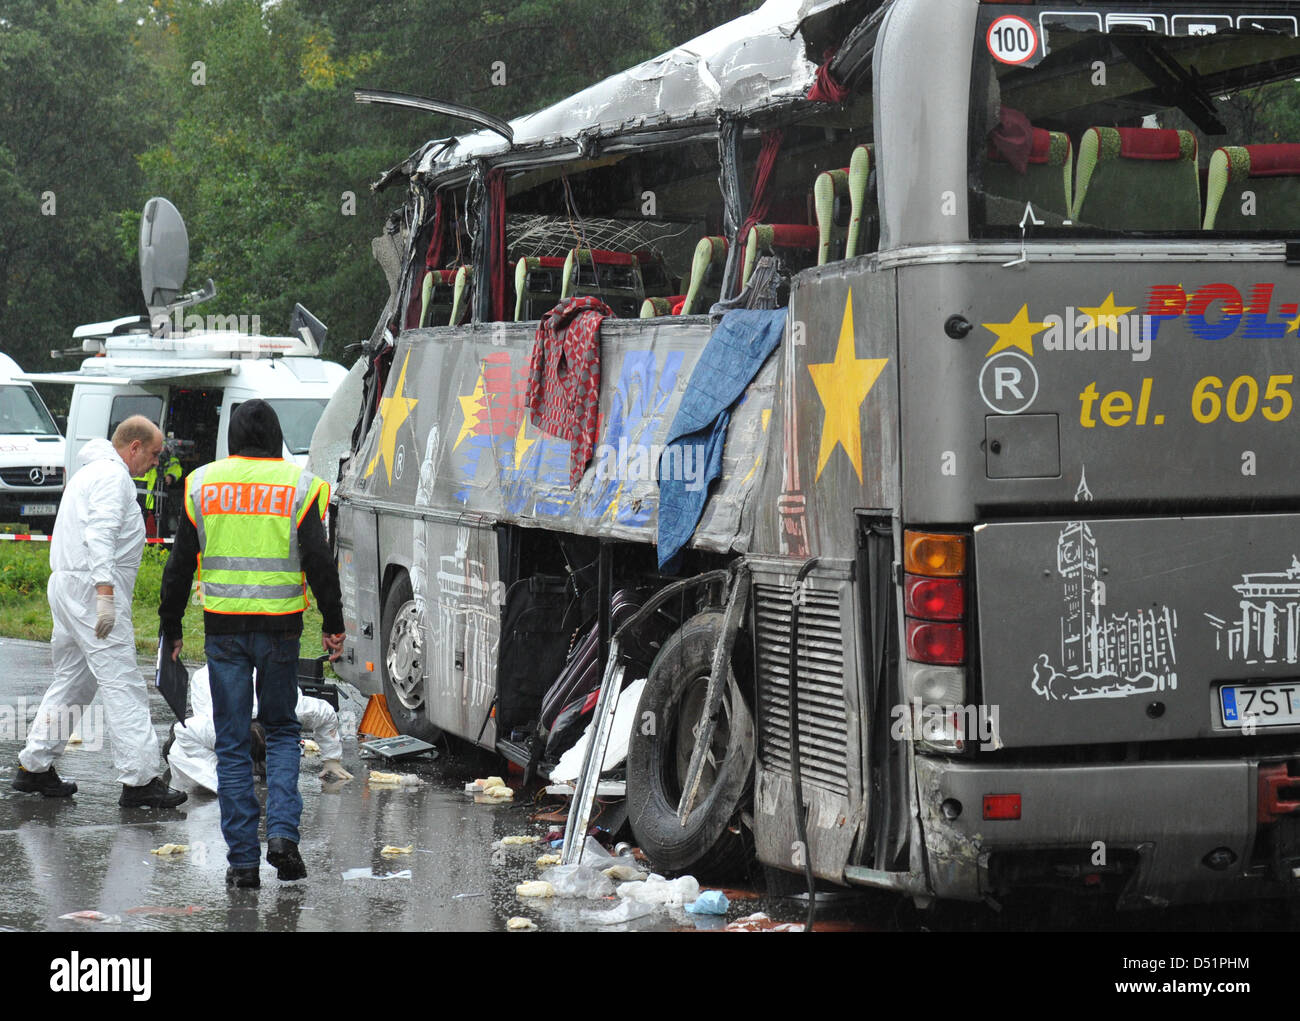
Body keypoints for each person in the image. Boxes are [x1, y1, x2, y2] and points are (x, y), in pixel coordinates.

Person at [159, 399, 345, 889]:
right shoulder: (298, 485)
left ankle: (243, 862)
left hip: (224, 633)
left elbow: (178, 565)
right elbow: (320, 562)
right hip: (282, 630)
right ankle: (282, 835)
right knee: (282, 730)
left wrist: (170, 625)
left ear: (233, 438)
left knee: (234, 739)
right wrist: (334, 621)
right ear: (278, 436)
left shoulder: (203, 484)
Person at [11, 416, 188, 808]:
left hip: (71, 586)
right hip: (91, 591)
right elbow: (100, 534)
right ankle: (140, 779)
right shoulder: (113, 477)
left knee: (74, 681)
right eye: (155, 454)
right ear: (135, 447)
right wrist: (105, 593)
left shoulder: (90, 473)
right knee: (122, 683)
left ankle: (34, 767)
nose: (157, 463)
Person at [167, 664, 353, 795]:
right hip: (213, 682)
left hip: (264, 681)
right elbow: (182, 731)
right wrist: (217, 769)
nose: (257, 772)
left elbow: (327, 713)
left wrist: (332, 760)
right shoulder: (215, 729)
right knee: (179, 752)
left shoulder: (292, 710)